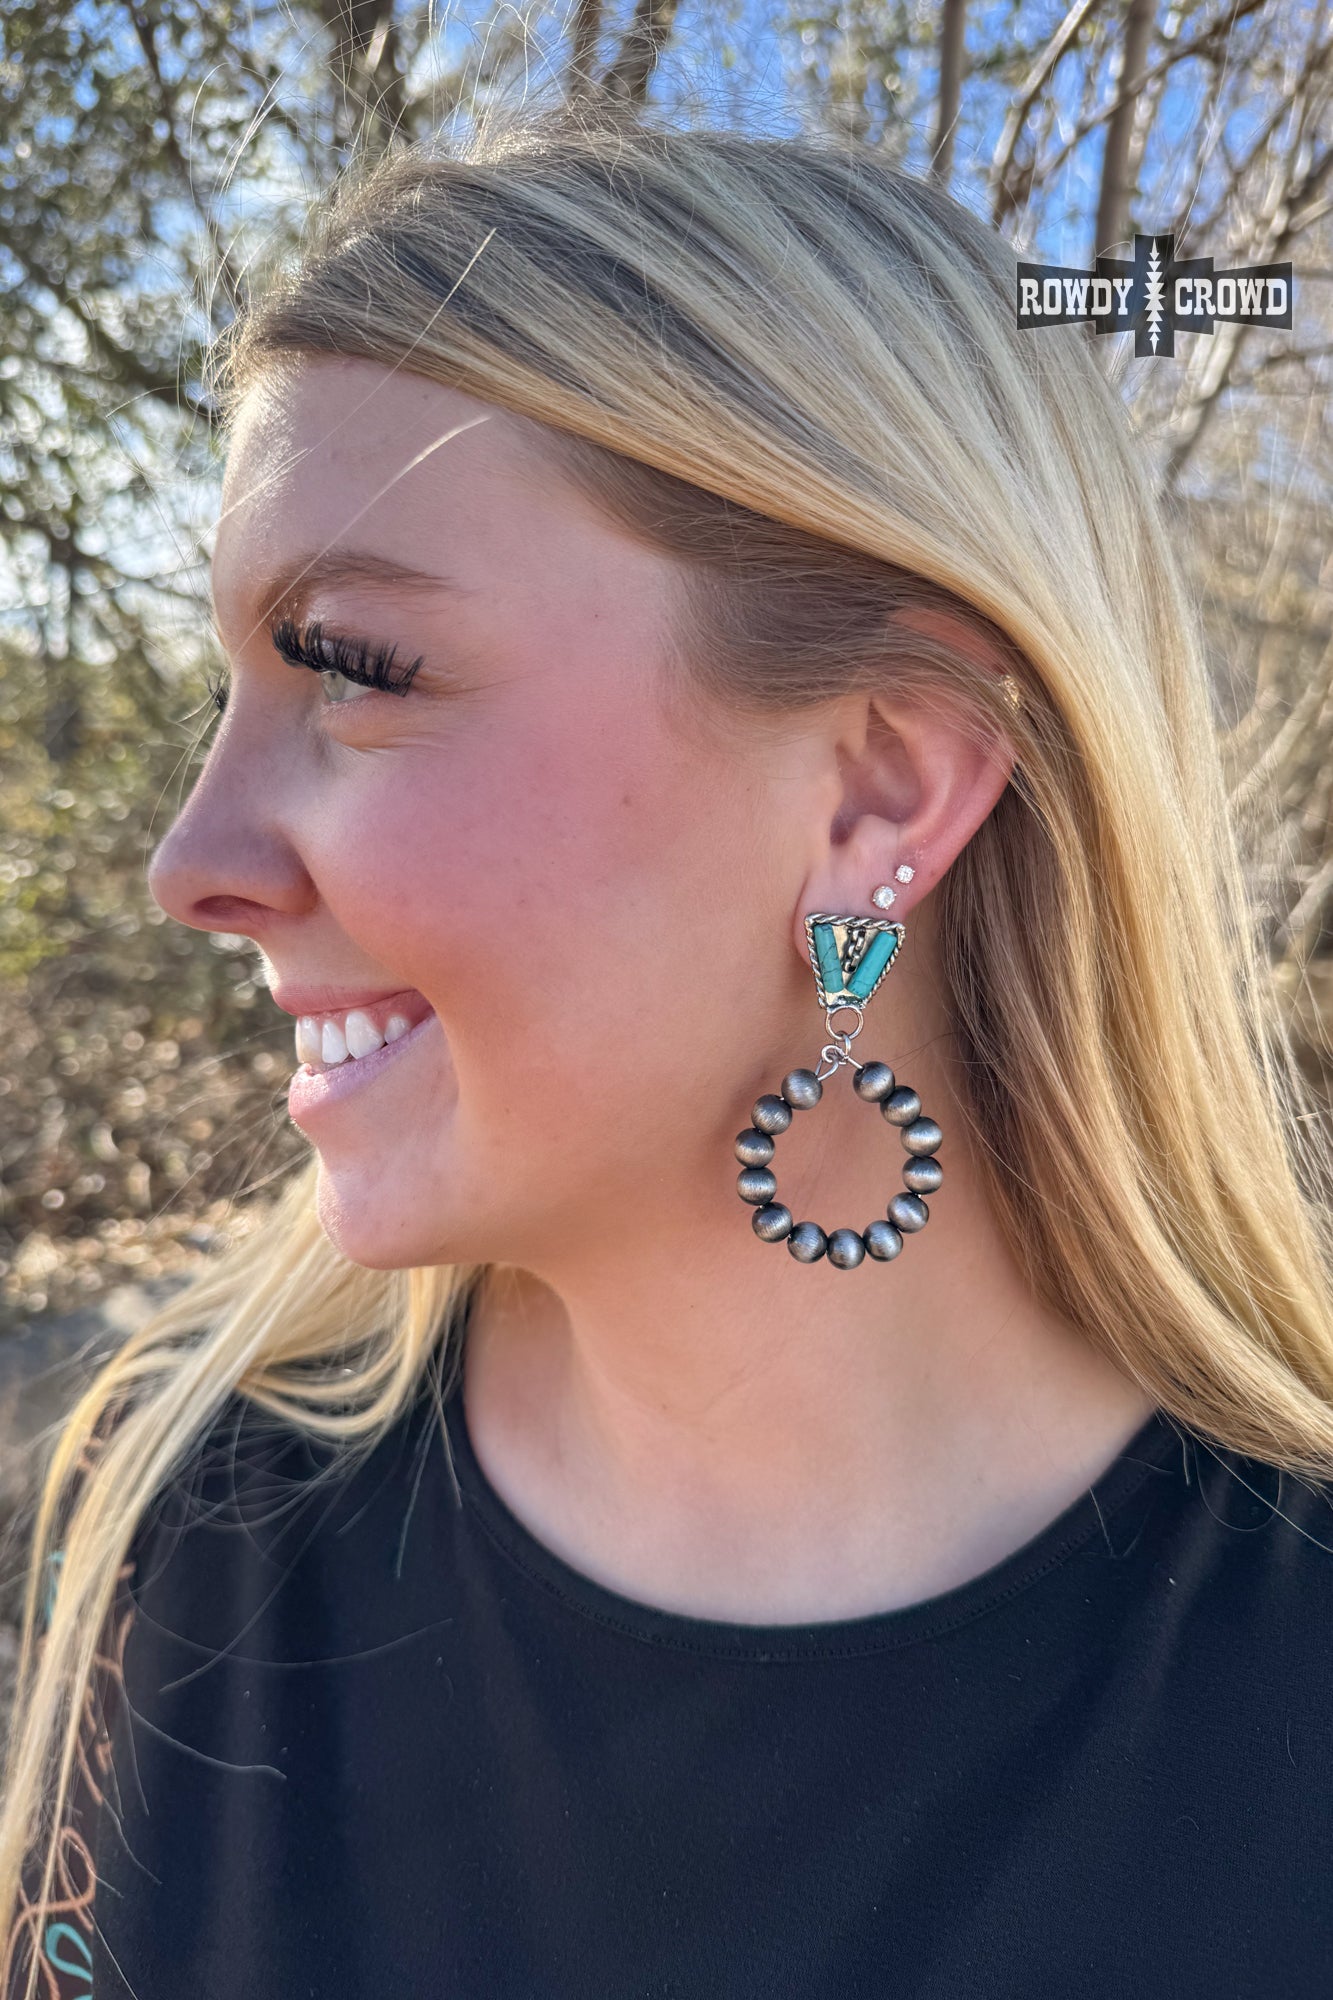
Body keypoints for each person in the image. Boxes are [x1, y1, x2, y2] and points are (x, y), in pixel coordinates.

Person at [4, 100, 1333, 2000]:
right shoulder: (189, 1522)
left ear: (879, 787)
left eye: (353, 670)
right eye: (230, 689)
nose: (189, 862)